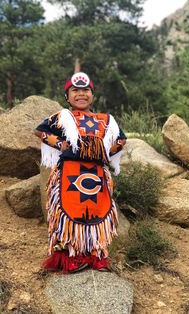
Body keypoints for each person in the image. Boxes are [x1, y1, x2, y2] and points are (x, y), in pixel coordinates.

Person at [34, 72, 126, 273]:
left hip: (97, 175)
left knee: (96, 212)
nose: (81, 94)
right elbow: (40, 131)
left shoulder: (106, 120)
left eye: (86, 90)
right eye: (75, 90)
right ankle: (69, 256)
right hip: (68, 174)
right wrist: (61, 144)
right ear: (67, 96)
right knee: (67, 212)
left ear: (93, 95)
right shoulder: (63, 116)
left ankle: (95, 255)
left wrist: (105, 153)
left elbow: (121, 140)